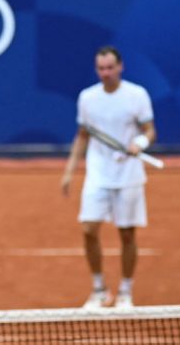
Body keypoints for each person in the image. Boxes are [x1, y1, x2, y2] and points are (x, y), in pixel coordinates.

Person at [60, 46, 156, 309]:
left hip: (128, 175)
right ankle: (99, 289)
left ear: (120, 67)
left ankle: (125, 290)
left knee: (127, 234)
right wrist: (69, 171)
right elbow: (82, 136)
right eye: (101, 69)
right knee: (88, 229)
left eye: (110, 68)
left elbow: (150, 131)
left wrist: (138, 143)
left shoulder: (137, 95)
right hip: (98, 174)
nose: (106, 73)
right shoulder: (87, 98)